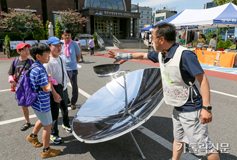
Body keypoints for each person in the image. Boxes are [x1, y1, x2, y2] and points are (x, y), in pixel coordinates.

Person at [108, 23, 220, 160]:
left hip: (192, 110)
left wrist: (206, 108)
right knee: (178, 139)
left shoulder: (185, 55)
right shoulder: (162, 54)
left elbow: (203, 79)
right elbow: (143, 56)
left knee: (204, 148)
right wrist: (122, 56)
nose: (151, 41)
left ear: (161, 40)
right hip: (178, 107)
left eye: (153, 37)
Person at [27, 43, 61, 158]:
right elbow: (46, 88)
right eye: (47, 54)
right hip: (42, 103)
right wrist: (50, 79)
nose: (49, 56)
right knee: (48, 125)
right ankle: (46, 150)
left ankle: (32, 136)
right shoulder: (41, 70)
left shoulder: (34, 66)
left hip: (36, 102)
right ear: (38, 56)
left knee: (42, 119)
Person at [44, 37, 72, 145]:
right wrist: (54, 94)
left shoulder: (61, 58)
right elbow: (47, 81)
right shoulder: (48, 62)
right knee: (54, 114)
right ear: (49, 47)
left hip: (63, 88)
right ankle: (53, 134)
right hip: (54, 91)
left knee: (65, 108)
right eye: (55, 46)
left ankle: (66, 124)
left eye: (60, 45)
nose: (58, 47)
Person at [8, 43, 33, 131]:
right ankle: (27, 122)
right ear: (19, 51)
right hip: (20, 87)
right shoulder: (15, 62)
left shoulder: (31, 61)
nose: (27, 52)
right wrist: (12, 81)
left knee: (35, 103)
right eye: (24, 50)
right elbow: (10, 73)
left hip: (30, 87)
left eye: (28, 50)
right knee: (23, 104)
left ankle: (42, 120)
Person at [61, 28, 81, 110]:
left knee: (74, 85)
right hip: (63, 68)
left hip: (72, 68)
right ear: (62, 35)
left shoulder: (74, 44)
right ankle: (67, 100)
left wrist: (75, 63)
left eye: (69, 35)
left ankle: (73, 102)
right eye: (65, 35)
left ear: (71, 36)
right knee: (62, 85)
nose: (67, 36)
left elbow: (78, 54)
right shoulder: (60, 44)